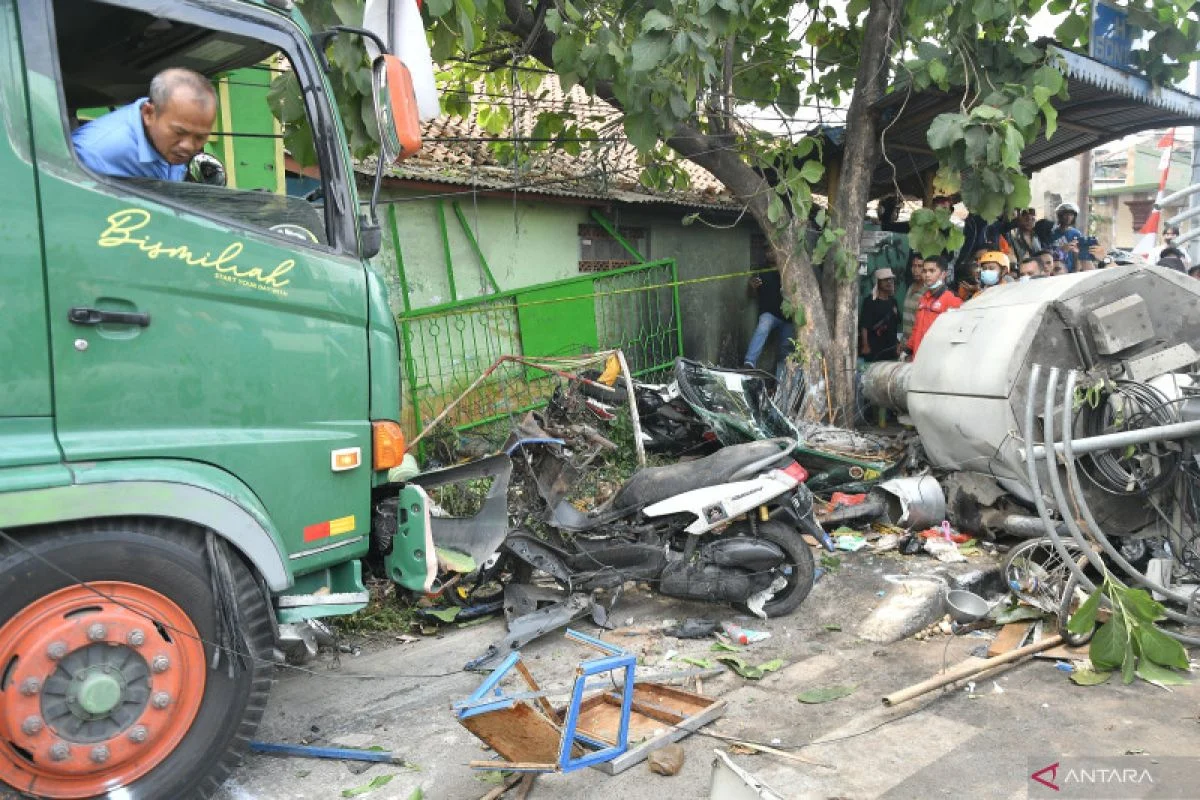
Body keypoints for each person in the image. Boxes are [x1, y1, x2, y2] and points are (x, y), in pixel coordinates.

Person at [72, 67, 217, 181]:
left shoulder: (165, 142)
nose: (188, 146)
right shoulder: (91, 155)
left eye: (200, 138)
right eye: (179, 132)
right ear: (148, 113)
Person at [901, 256, 962, 361]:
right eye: (924, 271)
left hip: (937, 361)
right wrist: (907, 350)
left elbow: (956, 335)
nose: (927, 275)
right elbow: (916, 328)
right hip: (919, 358)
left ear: (943, 274)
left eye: (932, 271)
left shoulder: (952, 300)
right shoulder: (924, 299)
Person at [743, 254, 793, 374]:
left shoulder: (789, 268)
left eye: (771, 249)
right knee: (763, 326)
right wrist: (752, 287)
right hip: (769, 314)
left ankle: (781, 380)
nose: (770, 253)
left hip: (789, 318)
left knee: (786, 348)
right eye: (767, 250)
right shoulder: (761, 271)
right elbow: (751, 296)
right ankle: (749, 363)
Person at [859, 268, 901, 362]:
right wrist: (865, 346)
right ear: (878, 282)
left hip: (890, 349)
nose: (889, 282)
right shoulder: (870, 301)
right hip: (875, 349)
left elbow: (896, 325)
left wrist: (898, 344)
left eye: (890, 279)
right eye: (885, 280)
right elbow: (864, 326)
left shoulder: (893, 301)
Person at [900, 251, 926, 345]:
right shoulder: (910, 287)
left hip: (918, 344)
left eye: (920, 266)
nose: (916, 270)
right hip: (905, 342)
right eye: (914, 266)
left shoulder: (928, 291)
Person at [1048, 203, 1083, 272]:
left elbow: (1077, 256)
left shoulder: (1076, 234)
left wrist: (1076, 272)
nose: (1068, 217)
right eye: (1066, 214)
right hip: (1055, 271)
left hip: (1070, 271)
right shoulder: (1052, 233)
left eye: (1071, 215)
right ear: (1060, 216)